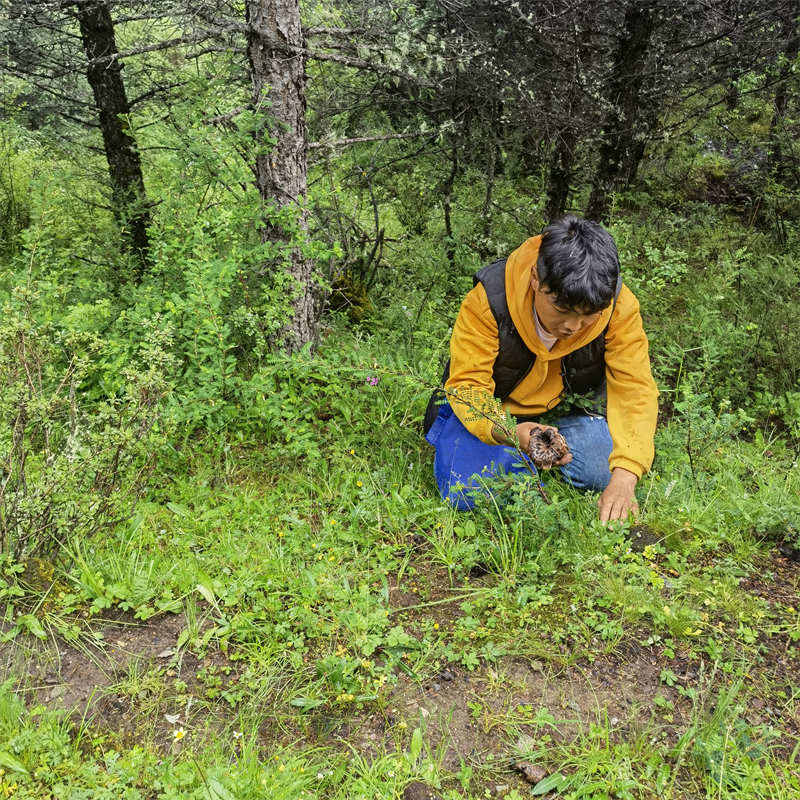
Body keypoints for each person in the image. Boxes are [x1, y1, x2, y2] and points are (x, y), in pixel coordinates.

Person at [424, 215, 658, 522]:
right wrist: (511, 431)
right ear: (536, 278)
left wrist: (625, 477)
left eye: (589, 315)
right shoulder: (489, 299)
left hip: (563, 414)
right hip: (495, 412)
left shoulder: (618, 306)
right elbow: (468, 386)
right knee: (467, 490)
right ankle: (512, 455)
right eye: (562, 309)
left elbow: (635, 389)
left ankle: (530, 458)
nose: (573, 326)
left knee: (603, 471)